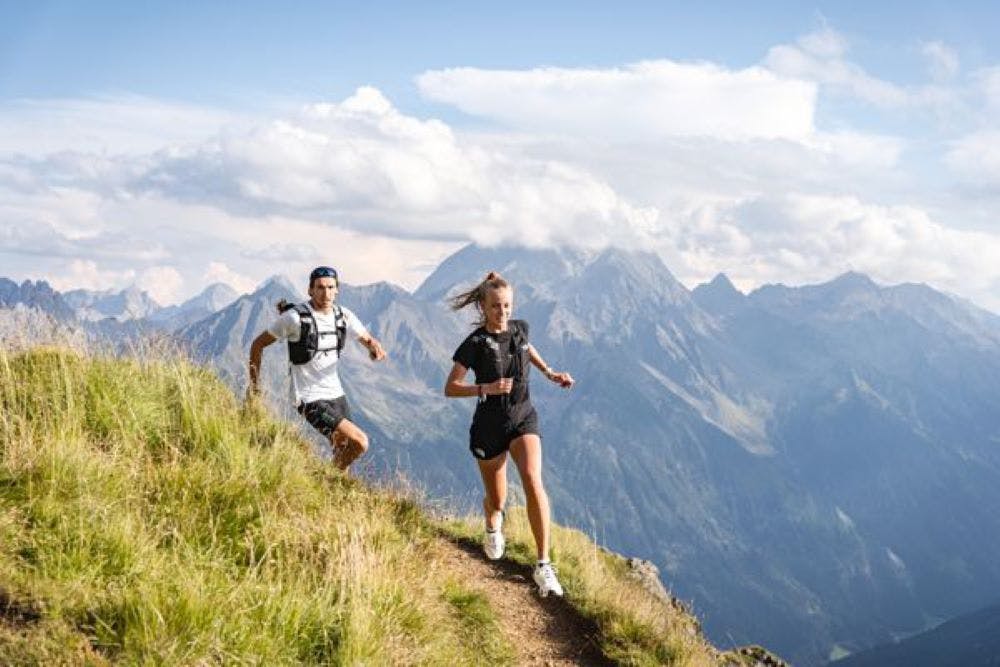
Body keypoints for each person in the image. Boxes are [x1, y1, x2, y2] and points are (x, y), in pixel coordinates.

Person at [444, 271, 575, 598]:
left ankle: (543, 565)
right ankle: (492, 526)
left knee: (533, 480)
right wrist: (484, 388)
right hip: (489, 427)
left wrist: (550, 373)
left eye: (507, 305)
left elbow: (528, 350)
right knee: (498, 500)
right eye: (495, 306)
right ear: (483, 308)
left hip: (522, 418)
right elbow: (450, 387)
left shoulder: (520, 329)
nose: (502, 312)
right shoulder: (474, 344)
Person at [249, 266, 386, 471]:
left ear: (337, 290)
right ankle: (328, 479)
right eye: (320, 287)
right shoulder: (294, 319)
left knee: (343, 447)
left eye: (331, 287)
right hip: (308, 398)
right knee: (360, 442)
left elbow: (367, 339)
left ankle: (333, 488)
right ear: (310, 290)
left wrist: (374, 348)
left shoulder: (343, 316)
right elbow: (257, 344)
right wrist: (253, 387)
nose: (326, 293)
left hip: (336, 394)